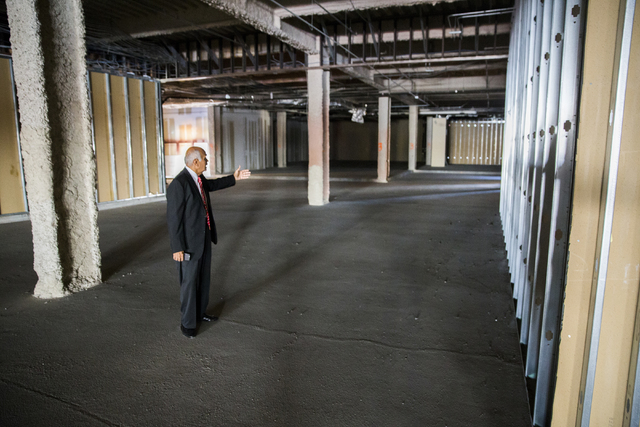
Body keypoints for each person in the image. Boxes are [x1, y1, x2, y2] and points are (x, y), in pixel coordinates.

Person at [166, 146, 251, 338]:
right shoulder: (179, 184)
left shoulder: (198, 178)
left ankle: (200, 313)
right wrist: (177, 247)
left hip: (203, 238)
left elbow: (212, 185)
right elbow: (173, 219)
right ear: (195, 162)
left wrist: (234, 178)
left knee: (203, 279)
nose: (207, 161)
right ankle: (187, 325)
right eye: (205, 158)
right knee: (189, 283)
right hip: (188, 244)